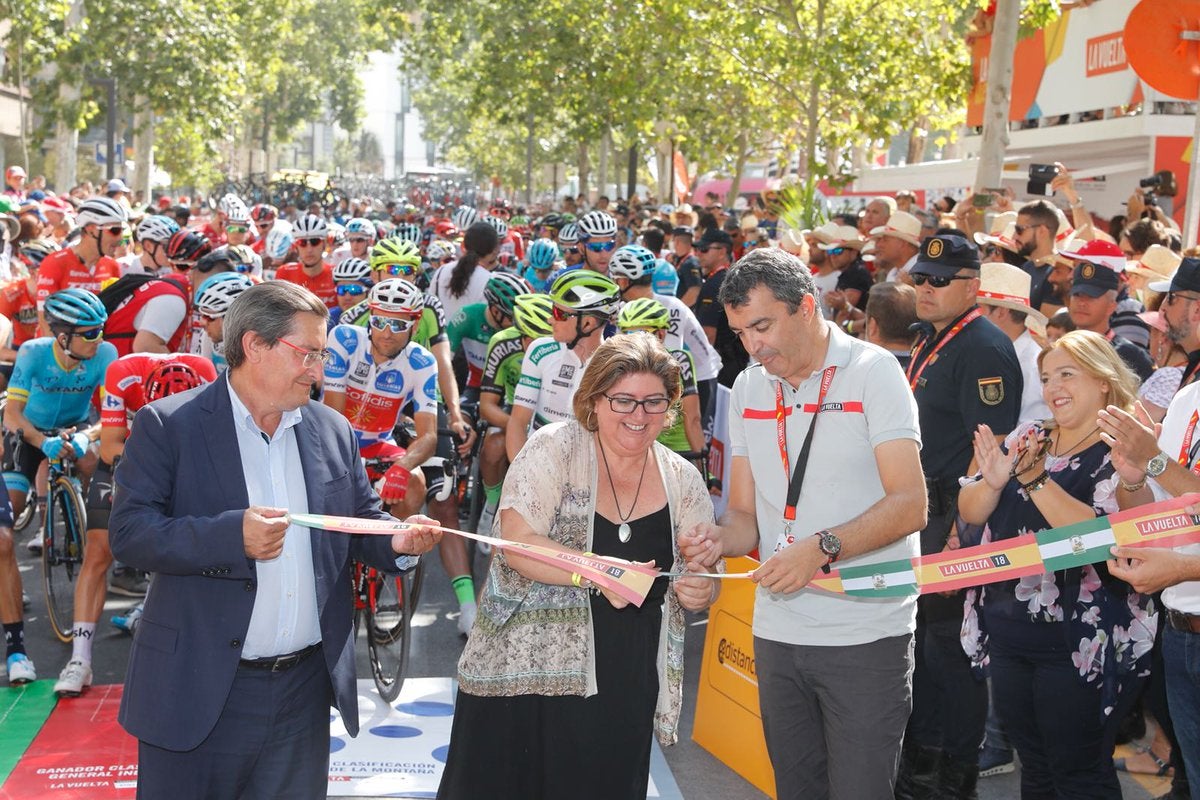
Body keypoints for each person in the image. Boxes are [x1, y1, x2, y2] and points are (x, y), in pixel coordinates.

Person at [108, 281, 442, 799]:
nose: (319, 371)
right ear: (254, 346)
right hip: (197, 689)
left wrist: (397, 543)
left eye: (322, 355)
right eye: (308, 353)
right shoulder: (170, 425)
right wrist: (230, 536)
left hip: (301, 696)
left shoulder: (331, 429)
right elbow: (130, 534)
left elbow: (358, 519)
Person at [679, 247, 927, 799]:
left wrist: (821, 547)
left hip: (866, 632)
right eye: (741, 333)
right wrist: (715, 540)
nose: (752, 346)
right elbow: (745, 518)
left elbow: (911, 503)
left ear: (807, 308)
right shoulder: (749, 387)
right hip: (777, 632)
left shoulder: (873, 372)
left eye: (762, 326)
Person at [437, 333, 719, 800]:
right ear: (594, 399)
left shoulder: (683, 480)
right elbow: (517, 545)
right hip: (522, 670)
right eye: (623, 400)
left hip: (623, 681)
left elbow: (703, 571)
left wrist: (701, 587)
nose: (638, 415)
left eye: (654, 402)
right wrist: (596, 571)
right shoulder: (553, 449)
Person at [958, 330, 1154, 798]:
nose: (1053, 388)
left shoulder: (1120, 448)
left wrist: (1035, 479)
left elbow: (1099, 540)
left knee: (1079, 771)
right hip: (1010, 630)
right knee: (1036, 768)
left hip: (1081, 639)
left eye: (1067, 374)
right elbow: (971, 513)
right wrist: (991, 483)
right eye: (1046, 378)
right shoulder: (1030, 435)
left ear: (1103, 380)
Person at [901, 233, 1023, 799]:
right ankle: (921, 762)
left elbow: (989, 446)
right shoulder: (933, 335)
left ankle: (953, 777)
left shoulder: (983, 347)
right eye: (920, 278)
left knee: (951, 651)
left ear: (973, 286)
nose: (925, 288)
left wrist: (959, 534)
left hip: (954, 514)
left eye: (939, 280)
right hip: (922, 508)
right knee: (925, 644)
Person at [54, 354, 218, 694]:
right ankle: (80, 659)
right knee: (99, 549)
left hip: (183, 456)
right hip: (127, 453)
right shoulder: (122, 373)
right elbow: (110, 447)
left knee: (192, 544)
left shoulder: (205, 372)